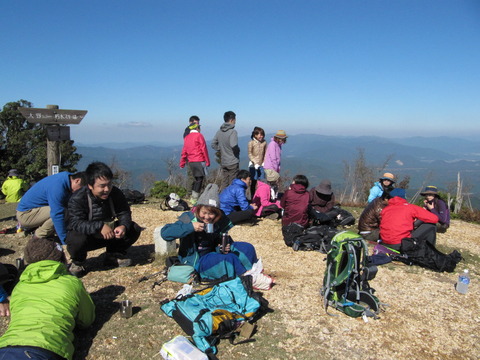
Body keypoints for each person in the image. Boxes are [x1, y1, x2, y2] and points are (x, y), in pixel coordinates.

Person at [161, 184, 273, 290]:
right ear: (198, 209)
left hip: (212, 253)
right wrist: (190, 227)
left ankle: (251, 270)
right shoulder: (188, 219)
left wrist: (222, 247)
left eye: (211, 214)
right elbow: (165, 233)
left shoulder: (217, 221)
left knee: (247, 247)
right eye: (204, 213)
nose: (207, 217)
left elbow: (218, 239)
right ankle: (246, 278)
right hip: (197, 261)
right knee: (230, 259)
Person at [0, 237, 95, 360]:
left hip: (6, 346)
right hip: (45, 349)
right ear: (62, 259)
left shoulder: (19, 287)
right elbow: (87, 320)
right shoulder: (71, 283)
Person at [66, 162, 142, 277]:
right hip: (88, 237)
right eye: (102, 186)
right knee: (76, 237)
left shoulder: (115, 193)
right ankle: (78, 262)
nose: (107, 189)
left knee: (133, 228)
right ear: (90, 185)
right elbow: (76, 223)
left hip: (110, 234)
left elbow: (124, 212)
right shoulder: (78, 198)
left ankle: (113, 255)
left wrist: (123, 226)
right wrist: (99, 226)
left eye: (109, 184)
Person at [16, 171, 86, 244]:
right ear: (77, 180)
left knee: (65, 211)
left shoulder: (66, 178)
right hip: (26, 214)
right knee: (61, 212)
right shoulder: (58, 187)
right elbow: (57, 214)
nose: (79, 192)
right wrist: (65, 240)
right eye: (80, 189)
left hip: (36, 210)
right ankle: (38, 237)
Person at [180, 122, 210, 205]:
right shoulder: (199, 136)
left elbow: (184, 151)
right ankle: (194, 198)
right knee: (200, 180)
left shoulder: (187, 137)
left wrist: (182, 162)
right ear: (197, 128)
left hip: (191, 162)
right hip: (199, 160)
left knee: (196, 179)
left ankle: (194, 197)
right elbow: (204, 149)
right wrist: (207, 161)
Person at [211, 111, 240, 191]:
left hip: (224, 161)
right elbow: (234, 145)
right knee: (233, 183)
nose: (235, 121)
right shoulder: (233, 132)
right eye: (235, 119)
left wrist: (221, 148)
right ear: (231, 120)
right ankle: (231, 202)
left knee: (224, 182)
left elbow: (213, 144)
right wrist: (237, 151)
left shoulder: (219, 132)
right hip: (232, 161)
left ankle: (222, 200)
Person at [183, 116, 201, 198]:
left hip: (194, 156)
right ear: (190, 122)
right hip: (191, 157)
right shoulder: (188, 131)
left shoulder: (191, 131)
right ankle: (190, 193)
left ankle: (194, 193)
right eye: (195, 123)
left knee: (197, 176)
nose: (197, 124)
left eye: (198, 123)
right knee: (192, 176)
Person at [247, 126, 267, 196]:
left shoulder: (264, 142)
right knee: (253, 182)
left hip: (261, 165)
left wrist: (264, 162)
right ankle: (253, 197)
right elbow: (250, 154)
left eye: (262, 134)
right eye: (259, 134)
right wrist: (255, 163)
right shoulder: (251, 143)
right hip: (253, 166)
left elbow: (265, 153)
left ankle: (261, 196)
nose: (261, 136)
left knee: (262, 182)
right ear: (255, 135)